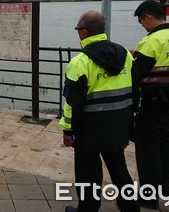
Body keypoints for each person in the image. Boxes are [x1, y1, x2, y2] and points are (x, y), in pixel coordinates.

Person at [60, 11, 139, 212]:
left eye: (78, 29)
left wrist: (68, 130)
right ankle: (130, 208)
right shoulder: (125, 55)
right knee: (119, 169)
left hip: (89, 130)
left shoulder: (80, 62)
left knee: (88, 175)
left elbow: (72, 103)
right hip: (118, 125)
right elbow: (136, 90)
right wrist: (132, 120)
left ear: (84, 32)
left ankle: (88, 209)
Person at [132, 0, 169, 210]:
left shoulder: (152, 40)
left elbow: (137, 73)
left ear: (148, 16)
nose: (142, 26)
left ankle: (148, 196)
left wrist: (132, 60)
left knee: (148, 148)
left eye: (141, 21)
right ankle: (164, 185)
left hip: (151, 100)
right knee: (166, 143)